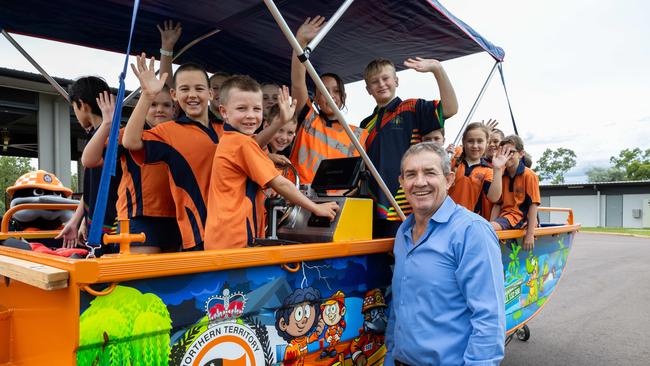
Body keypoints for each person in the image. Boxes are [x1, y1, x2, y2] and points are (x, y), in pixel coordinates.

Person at [385, 142, 505, 366]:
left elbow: (489, 318)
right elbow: (400, 306)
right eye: (411, 174)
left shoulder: (472, 231)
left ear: (449, 180)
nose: (420, 182)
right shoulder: (403, 233)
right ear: (402, 183)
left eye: (429, 172)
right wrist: (390, 355)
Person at [203, 75, 339, 250]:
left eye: (256, 109)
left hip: (222, 237)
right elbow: (280, 183)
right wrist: (316, 208)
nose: (250, 116)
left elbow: (257, 143)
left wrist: (280, 122)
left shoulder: (232, 139)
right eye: (242, 108)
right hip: (234, 240)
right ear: (223, 112)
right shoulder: (241, 143)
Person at [80, 23, 182, 253]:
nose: (160, 110)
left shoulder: (181, 135)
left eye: (166, 105)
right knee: (140, 282)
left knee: (170, 283)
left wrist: (167, 49)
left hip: (176, 217)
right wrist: (107, 123)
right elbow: (89, 160)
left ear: (175, 110)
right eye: (153, 105)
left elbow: (167, 85)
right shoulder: (132, 135)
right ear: (143, 108)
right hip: (139, 218)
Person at [123, 54, 219, 251]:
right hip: (197, 234)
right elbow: (130, 141)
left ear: (210, 93)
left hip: (230, 230)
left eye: (199, 88)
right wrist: (147, 95)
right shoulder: (169, 131)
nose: (192, 95)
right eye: (185, 89)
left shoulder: (226, 129)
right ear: (174, 94)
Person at [360, 57, 458, 238]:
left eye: (385, 78)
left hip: (405, 205)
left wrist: (437, 69)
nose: (381, 84)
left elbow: (451, 109)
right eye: (374, 81)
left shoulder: (412, 107)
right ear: (368, 89)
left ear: (396, 81)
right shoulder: (365, 124)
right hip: (372, 206)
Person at [289, 16, 368, 184]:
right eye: (324, 91)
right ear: (316, 98)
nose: (331, 95)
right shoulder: (308, 119)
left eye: (336, 91)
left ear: (343, 97)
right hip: (301, 200)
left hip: (337, 204)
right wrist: (300, 42)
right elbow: (297, 82)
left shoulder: (360, 135)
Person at [57, 76, 120, 249]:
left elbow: (90, 161)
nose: (76, 115)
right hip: (97, 222)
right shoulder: (96, 135)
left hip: (111, 225)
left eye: (74, 108)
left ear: (82, 105)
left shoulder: (111, 136)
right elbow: (95, 185)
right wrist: (77, 220)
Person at [448, 122, 510, 217]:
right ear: (463, 142)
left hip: (467, 219)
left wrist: (497, 169)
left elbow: (493, 197)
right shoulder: (453, 159)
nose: (475, 145)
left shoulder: (487, 170)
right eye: (470, 141)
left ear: (486, 143)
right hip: (446, 215)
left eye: (480, 141)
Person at [490, 135, 541, 250]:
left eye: (511, 152)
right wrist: (491, 225)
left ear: (521, 153)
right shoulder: (501, 174)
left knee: (486, 228)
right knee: (486, 227)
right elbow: (497, 204)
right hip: (505, 217)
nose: (507, 156)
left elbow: (533, 205)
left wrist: (530, 234)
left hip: (519, 218)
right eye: (503, 152)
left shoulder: (529, 175)